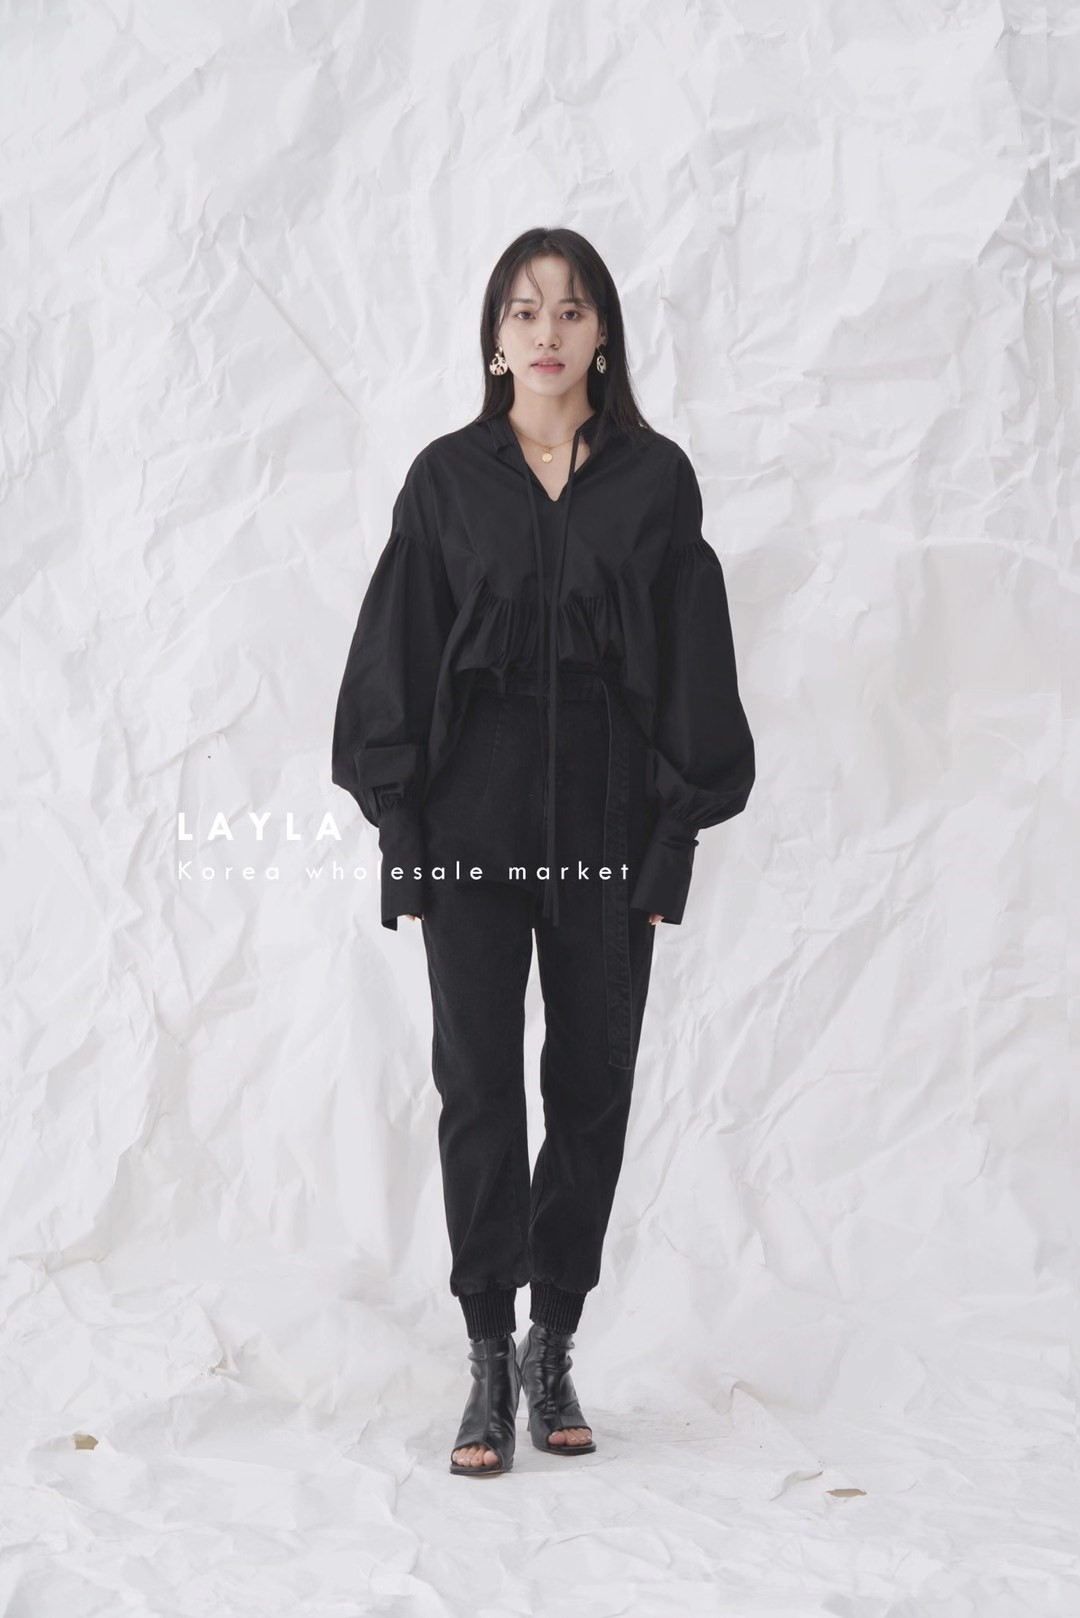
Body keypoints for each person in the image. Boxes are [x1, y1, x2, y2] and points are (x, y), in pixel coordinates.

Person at [331, 227, 755, 1477]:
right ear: (495, 337)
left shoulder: (656, 482)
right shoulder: (445, 481)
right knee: (477, 1087)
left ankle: (552, 1340)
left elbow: (693, 669)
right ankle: (483, 1351)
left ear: (604, 334)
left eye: (570, 310)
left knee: (591, 1086)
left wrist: (671, 845)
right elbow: (394, 661)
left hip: (608, 833)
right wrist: (405, 838)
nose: (548, 332)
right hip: (470, 827)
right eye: (524, 311)